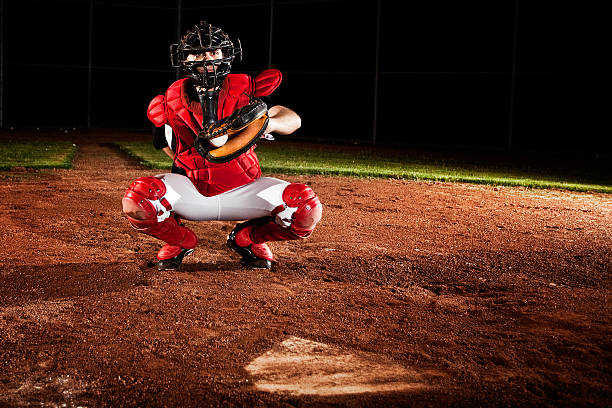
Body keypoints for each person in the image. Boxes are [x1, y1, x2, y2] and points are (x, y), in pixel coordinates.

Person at [122, 20, 323, 271]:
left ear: (226, 55)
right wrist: (190, 162)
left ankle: (248, 238)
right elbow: (164, 144)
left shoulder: (245, 91)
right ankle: (181, 241)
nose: (206, 59)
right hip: (193, 192)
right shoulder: (170, 101)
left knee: (304, 207)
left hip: (246, 189)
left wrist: (265, 125)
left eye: (213, 52)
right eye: (197, 52)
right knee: (138, 199)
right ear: (184, 59)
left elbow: (293, 120)